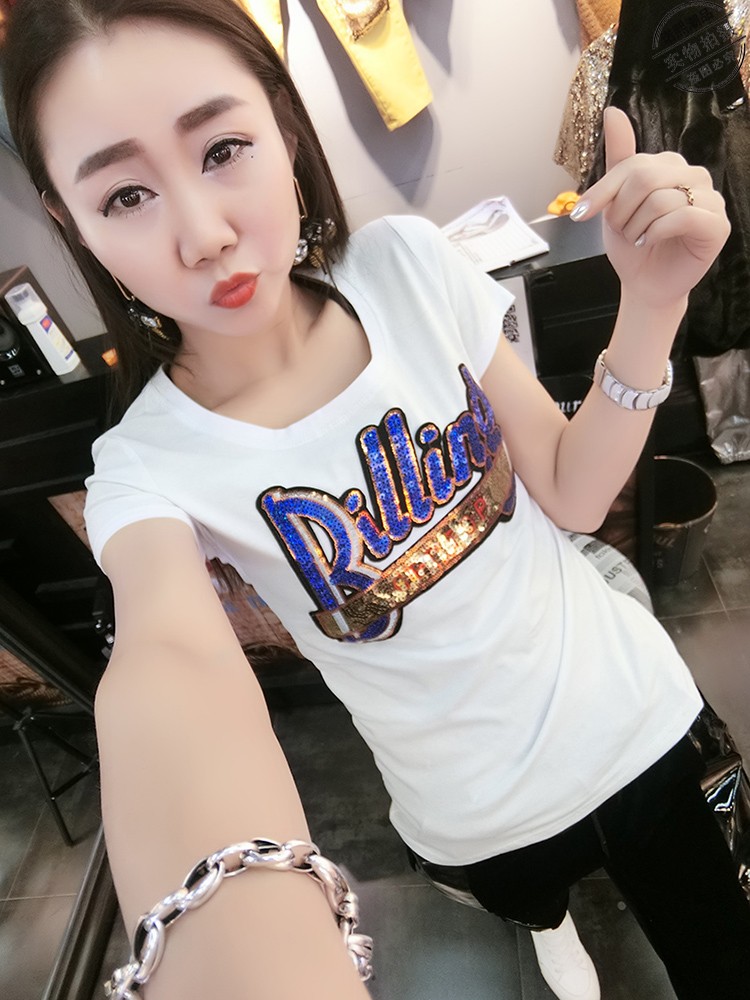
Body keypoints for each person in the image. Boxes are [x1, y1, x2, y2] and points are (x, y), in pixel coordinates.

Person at [3, 2, 749, 998]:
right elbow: (167, 663)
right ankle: (550, 920)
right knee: (526, 896)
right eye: (125, 195)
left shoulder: (405, 267)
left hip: (635, 716)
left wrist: (652, 308)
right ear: (70, 219)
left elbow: (573, 494)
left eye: (222, 148)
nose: (205, 235)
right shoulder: (146, 466)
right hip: (471, 809)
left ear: (282, 124)